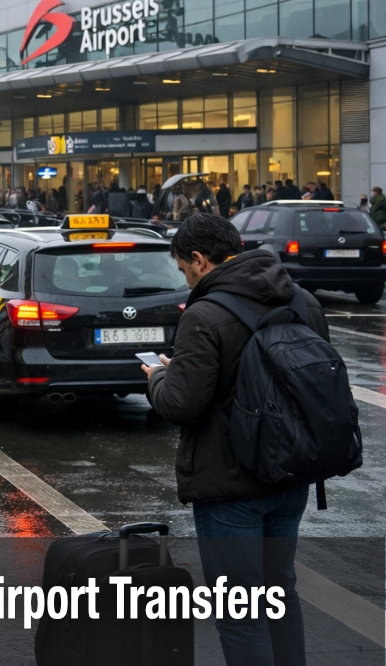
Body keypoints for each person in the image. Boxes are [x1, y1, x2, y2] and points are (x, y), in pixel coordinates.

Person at [143, 213, 326, 666]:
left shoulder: (205, 314)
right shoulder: (302, 300)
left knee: (240, 611)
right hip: (291, 473)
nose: (186, 279)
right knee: (279, 593)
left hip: (231, 483)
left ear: (199, 260)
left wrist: (159, 378)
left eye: (184, 269)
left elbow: (182, 405)